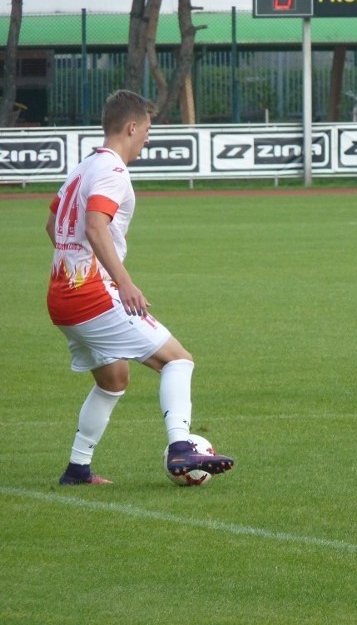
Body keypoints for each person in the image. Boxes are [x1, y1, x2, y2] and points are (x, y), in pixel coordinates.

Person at [47, 89, 234, 485]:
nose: (148, 139)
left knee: (114, 380)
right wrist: (123, 283)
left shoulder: (83, 168)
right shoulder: (113, 172)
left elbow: (53, 226)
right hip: (90, 295)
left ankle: (78, 469)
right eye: (146, 130)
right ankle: (181, 447)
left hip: (61, 297)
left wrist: (79, 264)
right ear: (131, 127)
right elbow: (96, 226)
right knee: (178, 360)